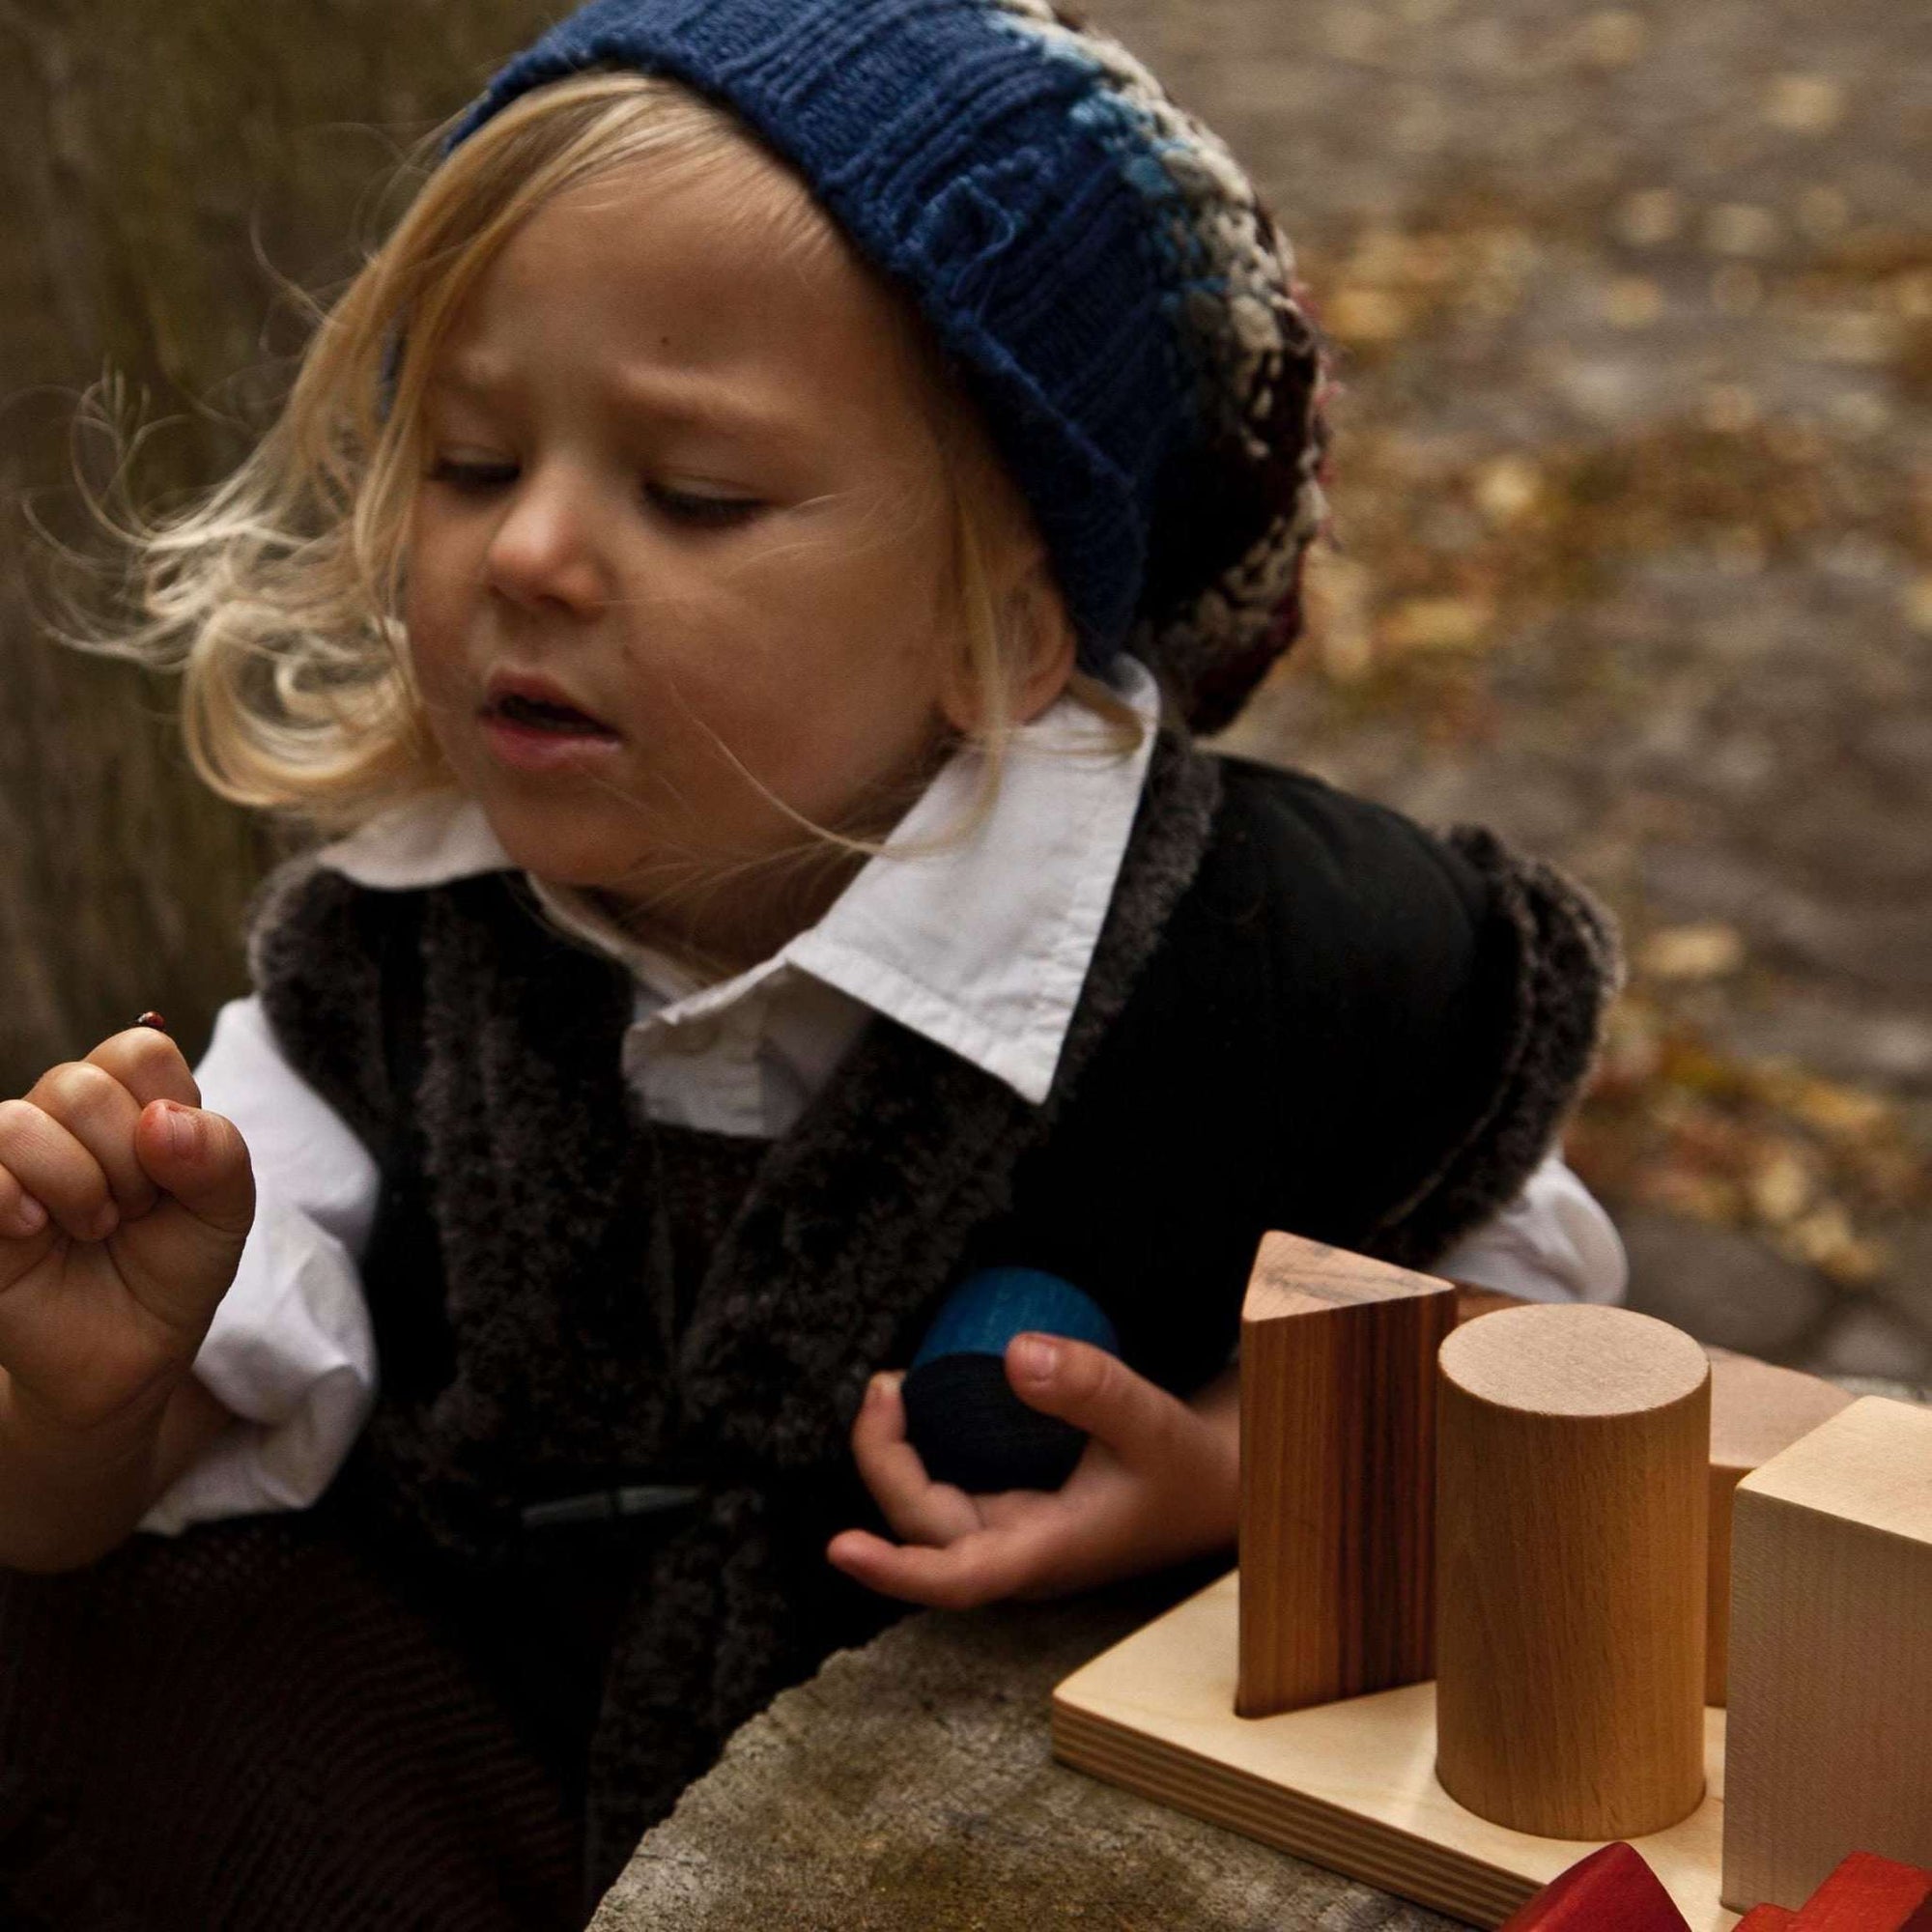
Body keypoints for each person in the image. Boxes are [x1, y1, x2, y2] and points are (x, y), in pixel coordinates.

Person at [0, 1, 1626, 1924]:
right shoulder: (381, 977)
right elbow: (112, 1499)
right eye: (466, 461)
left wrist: (1231, 1468)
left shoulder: (1283, 958)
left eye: (694, 494)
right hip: (483, 1794)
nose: (527, 552)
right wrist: (89, 1403)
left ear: (1006, 629)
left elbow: (1543, 1349)